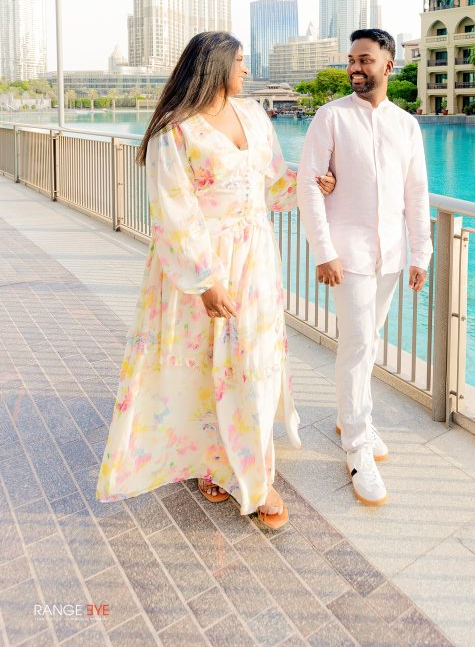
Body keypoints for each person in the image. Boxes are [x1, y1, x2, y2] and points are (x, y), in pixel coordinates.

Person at [97, 31, 335, 529]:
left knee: (254, 361)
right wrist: (205, 281)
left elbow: (273, 182)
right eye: (240, 61)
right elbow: (173, 210)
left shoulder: (254, 115)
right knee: (204, 364)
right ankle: (213, 461)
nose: (246, 69)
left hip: (256, 259)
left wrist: (312, 185)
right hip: (201, 266)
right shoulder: (175, 129)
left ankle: (253, 472)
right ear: (215, 65)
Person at [297, 28, 432, 506]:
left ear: (388, 65)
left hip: (391, 255)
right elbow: (309, 185)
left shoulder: (406, 126)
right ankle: (356, 446)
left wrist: (421, 253)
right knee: (356, 346)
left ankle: (350, 416)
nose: (355, 68)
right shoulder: (330, 117)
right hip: (347, 255)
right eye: (351, 60)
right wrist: (324, 251)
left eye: (365, 60)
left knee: (369, 340)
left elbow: (417, 193)